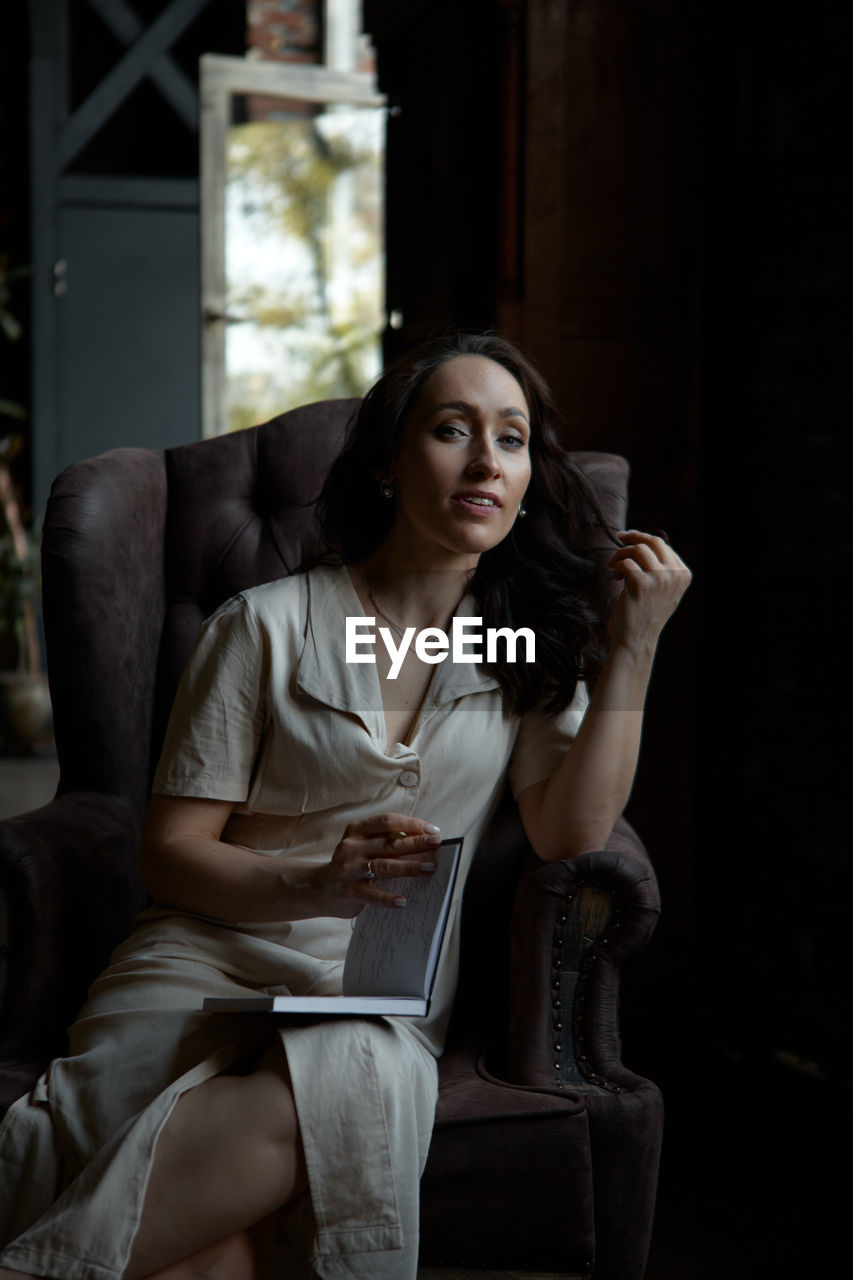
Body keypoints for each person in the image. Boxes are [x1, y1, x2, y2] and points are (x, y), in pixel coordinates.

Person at [0, 332, 690, 1280]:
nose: (487, 461)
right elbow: (170, 855)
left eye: (514, 439)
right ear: (386, 463)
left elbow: (567, 831)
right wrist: (317, 878)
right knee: (226, 1256)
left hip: (370, 992)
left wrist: (634, 649)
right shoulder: (264, 624)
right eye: (453, 430)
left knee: (318, 1098)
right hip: (203, 957)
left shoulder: (525, 646)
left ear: (530, 476)